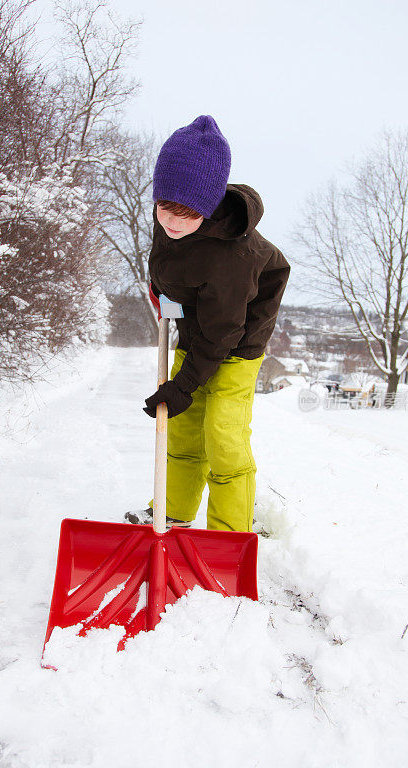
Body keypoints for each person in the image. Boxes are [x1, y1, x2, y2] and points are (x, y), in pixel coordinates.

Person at [125, 115, 290, 532]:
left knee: (223, 433)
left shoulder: (232, 258)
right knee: (181, 425)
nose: (173, 223)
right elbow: (167, 264)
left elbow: (223, 334)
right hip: (202, 327)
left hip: (238, 339)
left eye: (187, 214)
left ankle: (232, 530)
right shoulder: (173, 220)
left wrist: (181, 386)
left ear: (208, 206)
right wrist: (160, 292)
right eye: (165, 208)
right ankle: (173, 509)